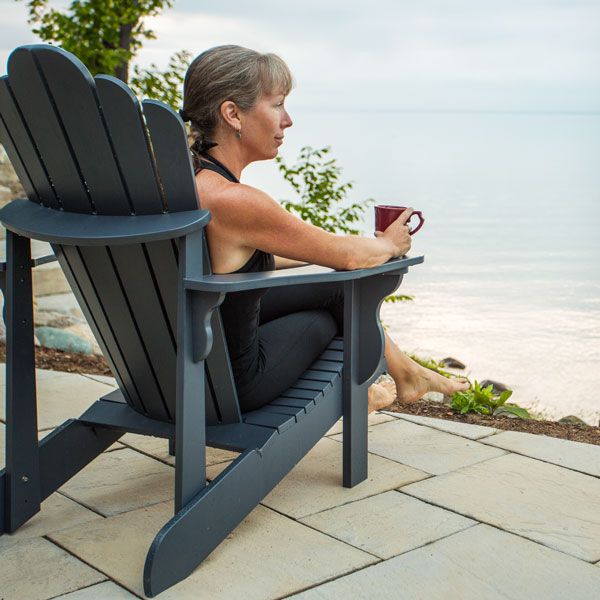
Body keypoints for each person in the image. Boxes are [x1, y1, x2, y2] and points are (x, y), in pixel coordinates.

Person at [179, 45, 469, 414]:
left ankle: (405, 374)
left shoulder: (184, 181)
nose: (288, 120)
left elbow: (233, 259)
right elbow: (348, 257)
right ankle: (363, 394)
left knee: (334, 289)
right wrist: (390, 244)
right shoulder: (235, 200)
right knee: (332, 310)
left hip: (180, 363)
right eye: (277, 104)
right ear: (233, 114)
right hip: (229, 384)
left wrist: (331, 254)